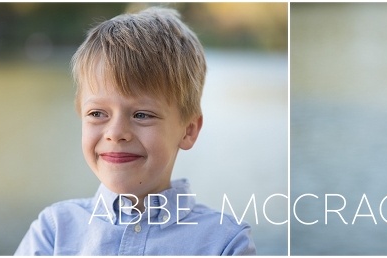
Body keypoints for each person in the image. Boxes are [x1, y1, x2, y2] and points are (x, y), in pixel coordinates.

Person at [15, 6, 256, 255]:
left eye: (142, 115)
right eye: (97, 114)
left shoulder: (224, 242)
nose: (116, 133)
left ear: (189, 130)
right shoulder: (53, 231)